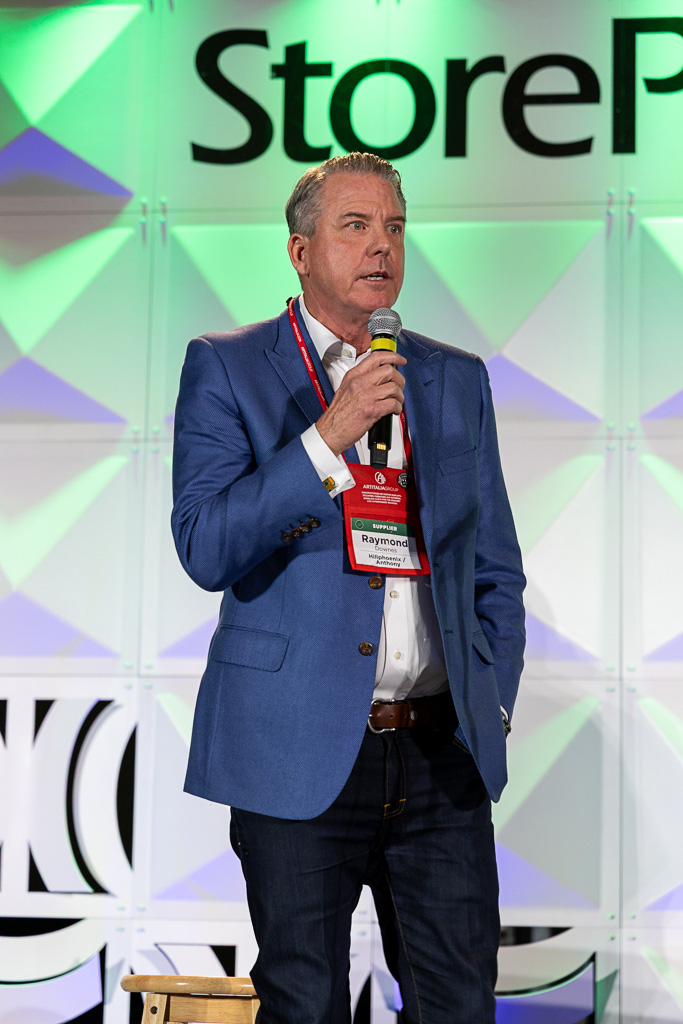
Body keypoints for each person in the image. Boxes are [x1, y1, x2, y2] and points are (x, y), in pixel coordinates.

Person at [171, 152, 525, 1024]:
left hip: (439, 753)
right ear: (300, 251)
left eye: (394, 227)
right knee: (304, 1004)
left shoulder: (452, 376)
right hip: (294, 745)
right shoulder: (228, 366)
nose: (381, 247)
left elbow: (493, 566)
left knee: (458, 1006)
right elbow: (206, 545)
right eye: (355, 226)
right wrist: (327, 436)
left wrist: (489, 700)